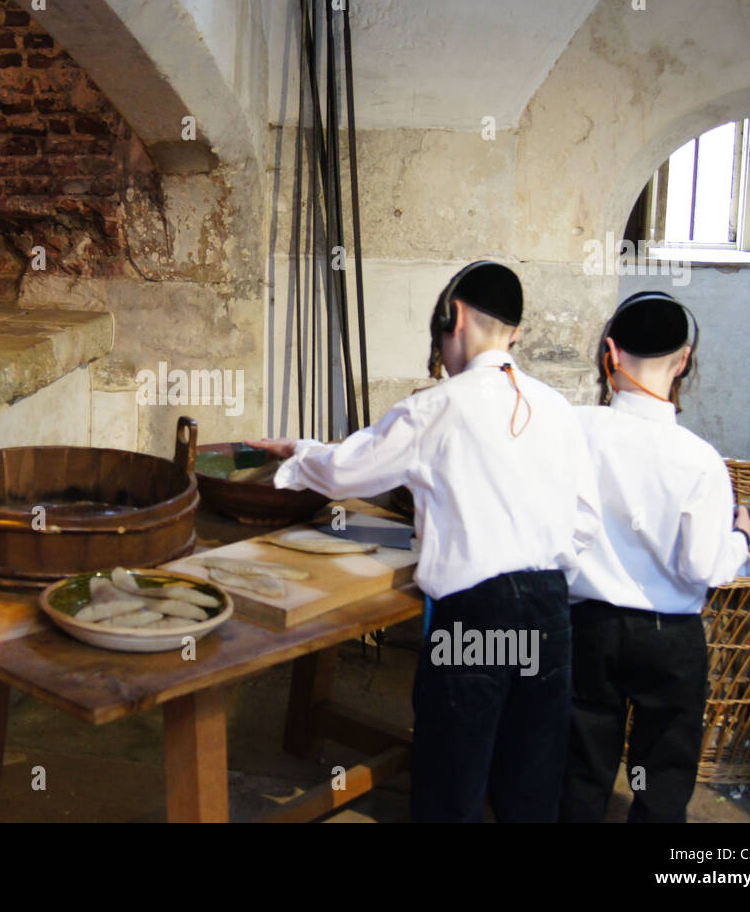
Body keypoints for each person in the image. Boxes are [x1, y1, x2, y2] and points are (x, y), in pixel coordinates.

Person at [249, 261, 601, 822]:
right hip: (550, 615)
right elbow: (585, 523)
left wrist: (299, 454)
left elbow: (348, 470)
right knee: (530, 785)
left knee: (451, 780)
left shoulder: (439, 406)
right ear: (514, 332)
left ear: (454, 316)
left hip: (475, 618)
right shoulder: (558, 409)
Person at [559, 291, 750, 823]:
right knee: (663, 779)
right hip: (669, 640)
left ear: (610, 352)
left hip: (587, 625)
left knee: (580, 766)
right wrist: (742, 539)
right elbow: (704, 566)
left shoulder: (573, 429)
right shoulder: (700, 461)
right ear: (685, 359)